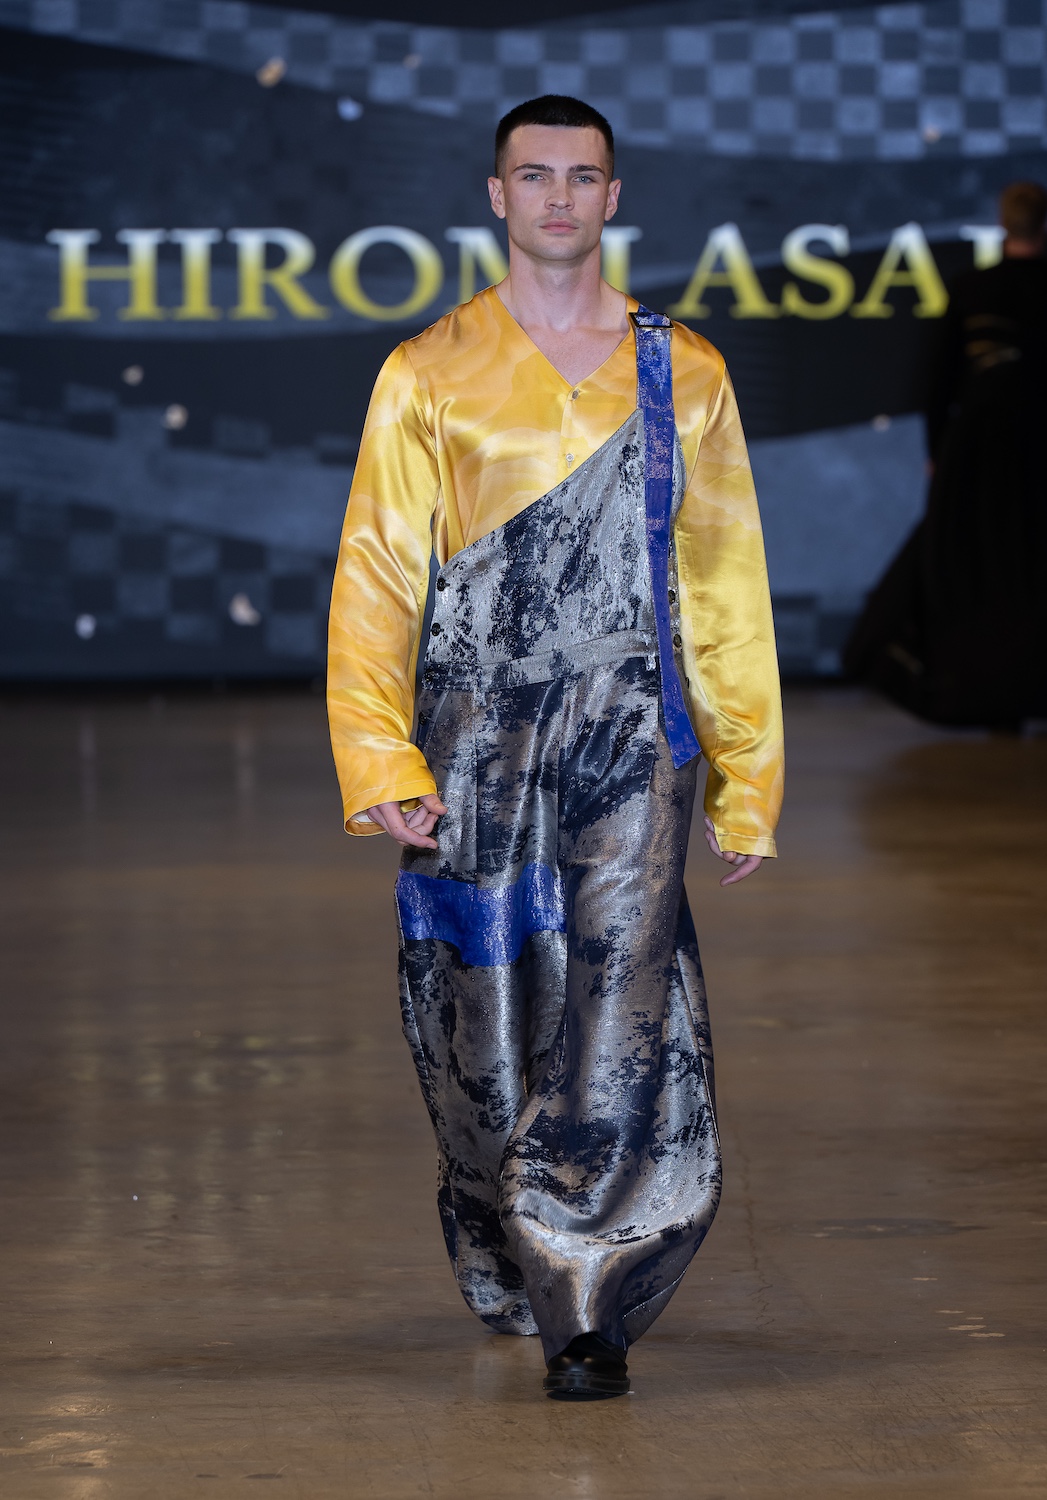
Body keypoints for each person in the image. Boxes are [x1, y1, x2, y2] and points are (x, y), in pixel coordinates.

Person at [327, 95, 783, 1400]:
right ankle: (504, 1227)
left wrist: (745, 778)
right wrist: (380, 759)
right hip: (475, 735)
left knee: (616, 1004)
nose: (559, 198)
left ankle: (584, 1289)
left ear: (612, 195)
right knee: (482, 1012)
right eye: (535, 176)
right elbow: (378, 574)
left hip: (632, 732)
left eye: (582, 177)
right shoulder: (428, 370)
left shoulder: (683, 369)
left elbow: (722, 578)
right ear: (497, 196)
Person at [844, 180, 1047, 726]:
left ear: (1004, 224)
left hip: (977, 450)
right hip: (1036, 447)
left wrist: (938, 452)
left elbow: (939, 380)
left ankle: (989, 695)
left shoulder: (972, 287)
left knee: (975, 566)